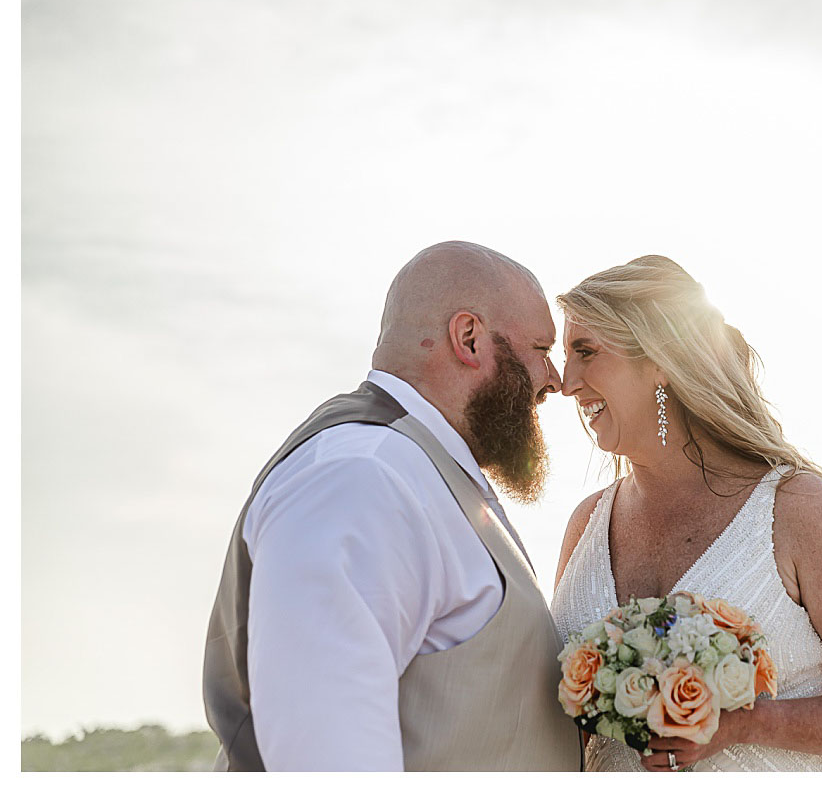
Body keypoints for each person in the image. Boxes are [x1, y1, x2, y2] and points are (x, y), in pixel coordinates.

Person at [203, 241, 581, 771]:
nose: (556, 380)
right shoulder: (364, 475)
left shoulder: (413, 469)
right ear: (469, 338)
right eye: (542, 349)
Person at [550, 255, 822, 771]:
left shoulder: (795, 512)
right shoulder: (587, 524)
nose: (565, 381)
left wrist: (742, 723)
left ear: (660, 358)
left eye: (586, 351)